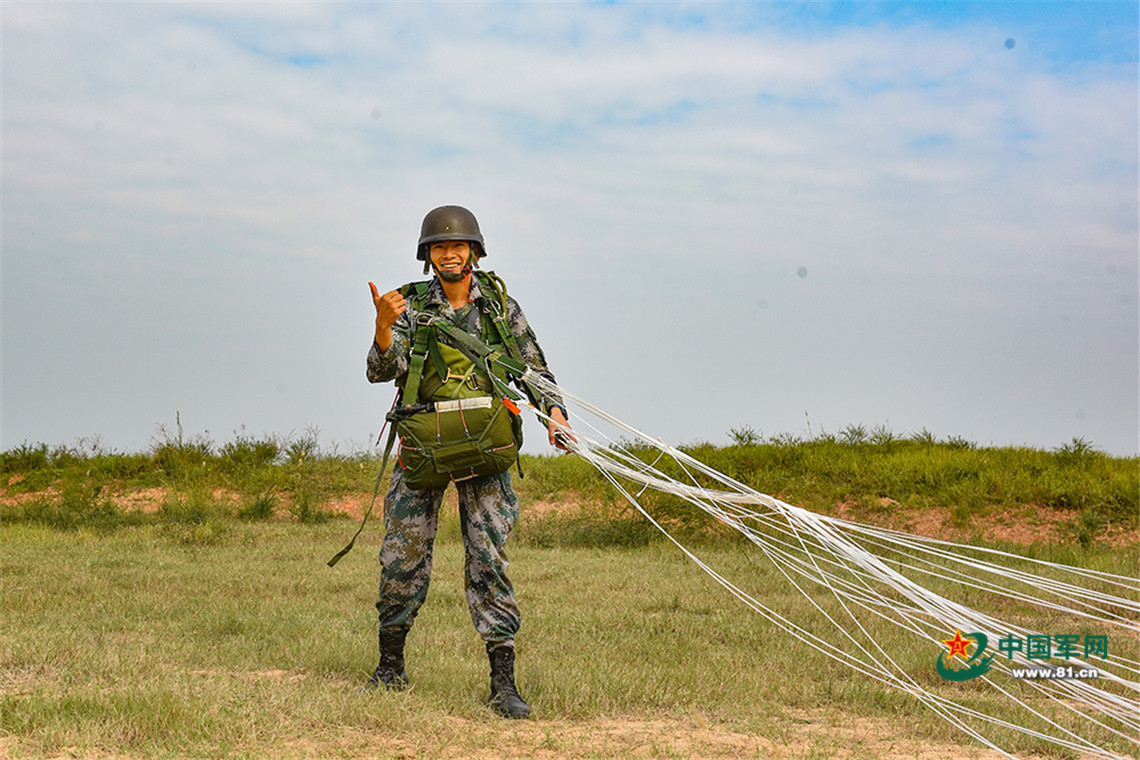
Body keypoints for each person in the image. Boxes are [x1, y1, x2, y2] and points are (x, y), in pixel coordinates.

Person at [362, 205, 572, 719]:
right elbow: (379, 371)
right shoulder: (407, 307)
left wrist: (555, 413)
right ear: (427, 255)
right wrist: (384, 329)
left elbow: (533, 367)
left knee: (489, 559)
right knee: (402, 555)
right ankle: (390, 667)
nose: (449, 253)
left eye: (457, 246)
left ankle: (503, 683)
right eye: (438, 247)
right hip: (425, 441)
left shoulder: (500, 308)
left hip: (486, 443)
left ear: (474, 251)